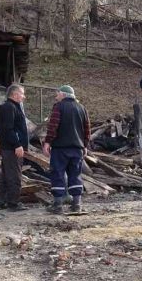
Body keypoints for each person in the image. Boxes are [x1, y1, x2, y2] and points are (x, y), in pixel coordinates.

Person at [43, 85, 91, 214]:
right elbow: (87, 130)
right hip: (77, 148)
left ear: (63, 94)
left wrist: (47, 142)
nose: (56, 96)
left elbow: (53, 126)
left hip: (60, 148)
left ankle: (57, 205)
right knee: (75, 175)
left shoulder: (58, 107)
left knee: (57, 174)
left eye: (57, 94)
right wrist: (85, 145)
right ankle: (77, 204)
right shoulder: (82, 108)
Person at [0, 84, 29, 211]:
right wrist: (17, 145)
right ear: (15, 94)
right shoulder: (9, 107)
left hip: (9, 147)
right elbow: (8, 129)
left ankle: (1, 200)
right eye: (22, 94)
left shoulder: (13, 107)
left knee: (6, 175)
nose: (24, 97)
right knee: (15, 176)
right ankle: (13, 203)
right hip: (11, 148)